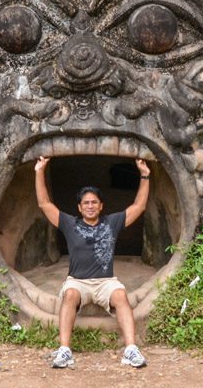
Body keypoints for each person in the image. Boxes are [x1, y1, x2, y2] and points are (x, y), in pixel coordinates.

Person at [34, 155, 150, 369]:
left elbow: (139, 206)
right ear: (79, 207)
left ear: (101, 205)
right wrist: (39, 171)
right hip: (78, 281)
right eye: (85, 203)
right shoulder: (69, 223)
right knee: (69, 294)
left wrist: (144, 175)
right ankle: (65, 350)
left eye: (94, 202)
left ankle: (131, 349)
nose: (90, 206)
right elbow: (44, 203)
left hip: (106, 281)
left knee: (121, 295)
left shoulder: (112, 222)